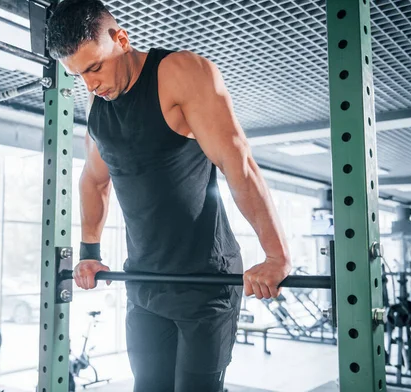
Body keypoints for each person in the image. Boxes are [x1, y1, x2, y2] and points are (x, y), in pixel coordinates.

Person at [47, 1, 291, 391]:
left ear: (121, 39)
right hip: (143, 282)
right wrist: (90, 253)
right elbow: (94, 181)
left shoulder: (180, 73)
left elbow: (237, 164)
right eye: (79, 75)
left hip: (206, 283)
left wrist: (276, 255)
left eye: (94, 67)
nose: (90, 84)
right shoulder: (98, 102)